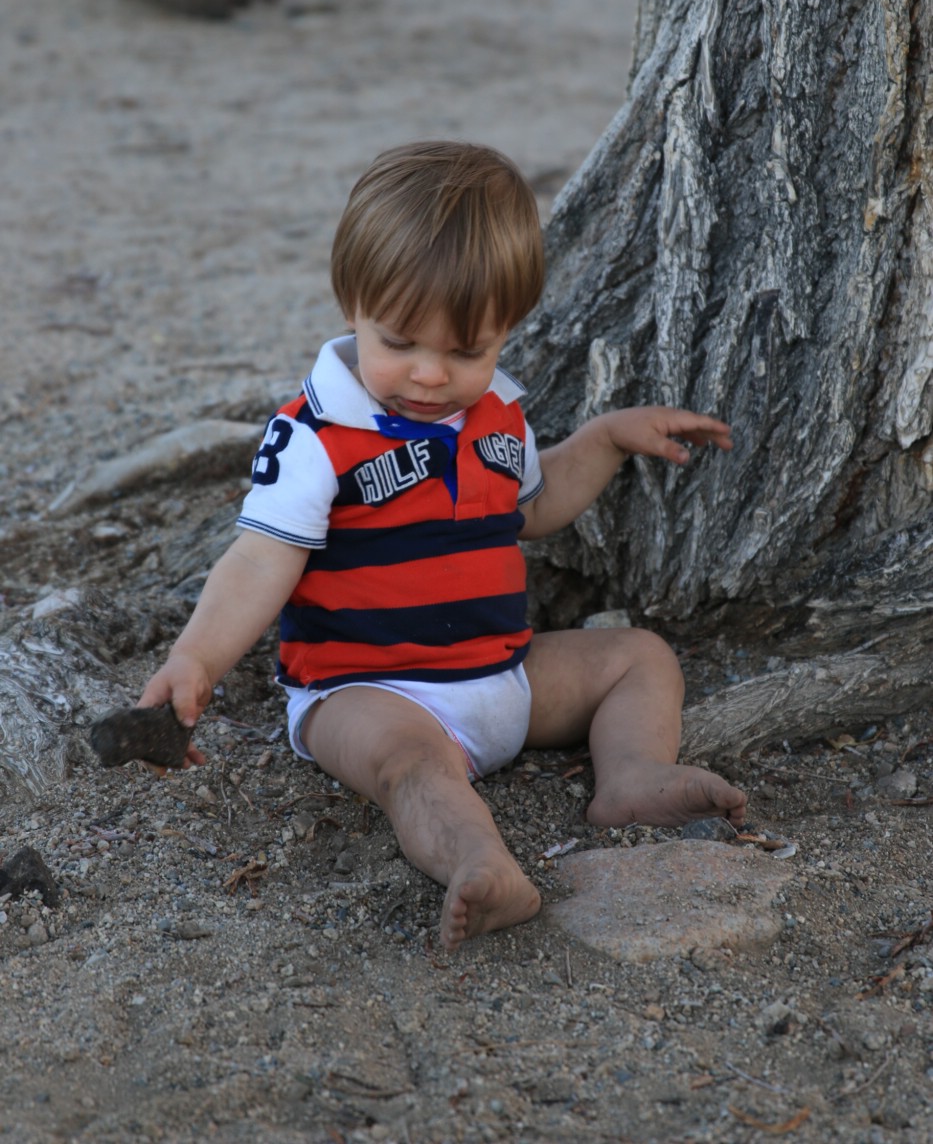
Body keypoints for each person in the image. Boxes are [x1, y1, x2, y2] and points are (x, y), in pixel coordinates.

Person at [138, 141, 746, 949]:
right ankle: (478, 865)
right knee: (412, 768)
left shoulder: (497, 416)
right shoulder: (315, 436)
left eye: (465, 352)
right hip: (367, 690)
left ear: (505, 331)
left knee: (638, 655)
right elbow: (258, 558)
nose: (430, 375)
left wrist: (603, 439)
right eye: (400, 344)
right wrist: (197, 658)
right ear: (351, 305)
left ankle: (631, 776)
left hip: (504, 674)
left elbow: (533, 509)